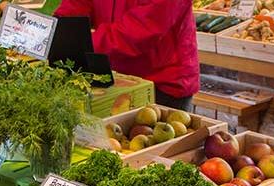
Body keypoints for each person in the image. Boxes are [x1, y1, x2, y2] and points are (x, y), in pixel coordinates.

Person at [54, 0, 199, 110]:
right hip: (114, 75)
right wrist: (61, 26)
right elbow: (77, 3)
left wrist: (84, 43)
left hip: (161, 83)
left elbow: (144, 28)